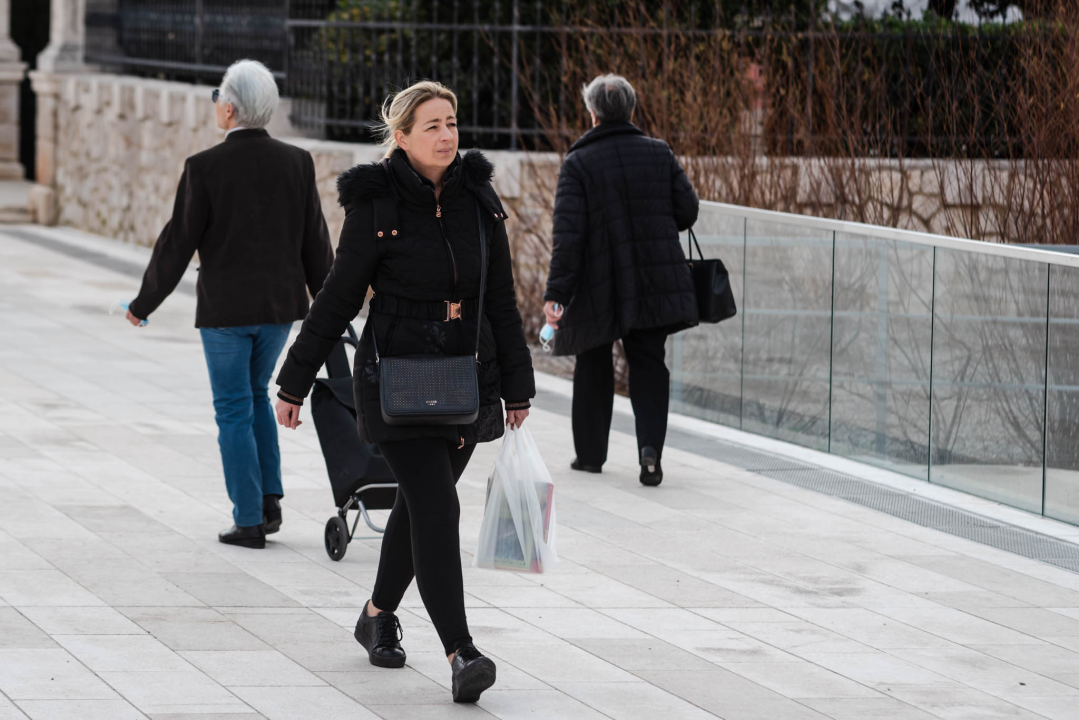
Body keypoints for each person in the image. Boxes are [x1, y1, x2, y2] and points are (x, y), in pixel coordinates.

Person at [273, 80, 534, 703]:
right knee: (438, 507)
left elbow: (501, 300)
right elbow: (337, 296)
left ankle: (375, 616)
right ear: (402, 136)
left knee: (420, 507)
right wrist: (295, 378)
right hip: (396, 381)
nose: (446, 135)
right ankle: (461, 652)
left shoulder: (478, 200)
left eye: (452, 122)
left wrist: (518, 387)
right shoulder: (376, 204)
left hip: (467, 381)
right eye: (432, 126)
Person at [125, 59, 334, 548]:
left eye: (218, 96)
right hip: (279, 310)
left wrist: (143, 303)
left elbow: (177, 242)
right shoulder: (298, 162)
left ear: (230, 108)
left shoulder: (204, 167)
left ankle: (248, 519)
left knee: (234, 407)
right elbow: (316, 244)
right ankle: (269, 502)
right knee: (255, 393)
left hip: (225, 314)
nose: (217, 104)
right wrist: (330, 307)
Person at [543, 74, 699, 487]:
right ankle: (650, 454)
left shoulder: (579, 162)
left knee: (593, 362)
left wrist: (557, 294)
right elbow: (687, 211)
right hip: (652, 277)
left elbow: (568, 238)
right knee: (648, 363)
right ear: (631, 110)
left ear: (592, 114)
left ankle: (590, 456)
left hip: (598, 282)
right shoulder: (659, 153)